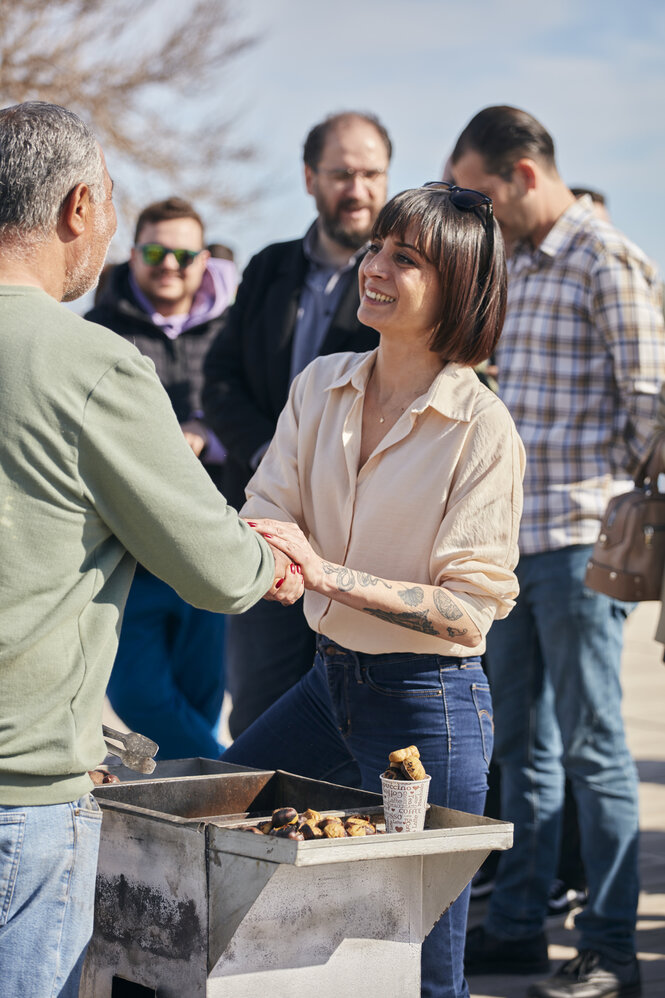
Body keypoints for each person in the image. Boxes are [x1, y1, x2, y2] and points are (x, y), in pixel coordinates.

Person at [0, 100, 302, 998]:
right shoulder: (86, 360)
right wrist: (270, 558)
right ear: (79, 208)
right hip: (21, 798)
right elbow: (216, 569)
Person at [222, 183, 525, 998]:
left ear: (457, 288)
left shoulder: (482, 428)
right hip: (327, 685)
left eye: (406, 258)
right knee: (219, 833)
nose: (374, 266)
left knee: (425, 968)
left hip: (429, 710)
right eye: (377, 248)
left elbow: (466, 612)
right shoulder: (319, 382)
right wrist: (278, 563)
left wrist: (323, 573)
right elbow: (266, 513)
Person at [450, 105, 665, 998]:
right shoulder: (523, 263)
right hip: (514, 546)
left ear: (525, 175)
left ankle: (612, 948)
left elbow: (652, 404)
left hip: (581, 547)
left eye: (480, 196)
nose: (476, 215)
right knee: (521, 751)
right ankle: (514, 929)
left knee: (593, 747)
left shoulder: (602, 256)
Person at [203, 110, 391, 737]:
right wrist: (269, 452)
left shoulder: (402, 281)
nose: (357, 190)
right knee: (257, 714)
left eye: (370, 174)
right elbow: (220, 377)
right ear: (311, 177)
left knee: (353, 726)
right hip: (267, 526)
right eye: (341, 174)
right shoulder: (268, 267)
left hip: (354, 542)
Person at [85, 197, 237, 759]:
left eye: (183, 253)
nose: (169, 264)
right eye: (155, 251)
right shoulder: (100, 328)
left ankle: (193, 819)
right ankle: (227, 774)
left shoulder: (234, 327)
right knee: (138, 692)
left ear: (203, 257)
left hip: (212, 540)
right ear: (133, 253)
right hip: (132, 550)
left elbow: (250, 409)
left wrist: (204, 432)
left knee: (201, 698)